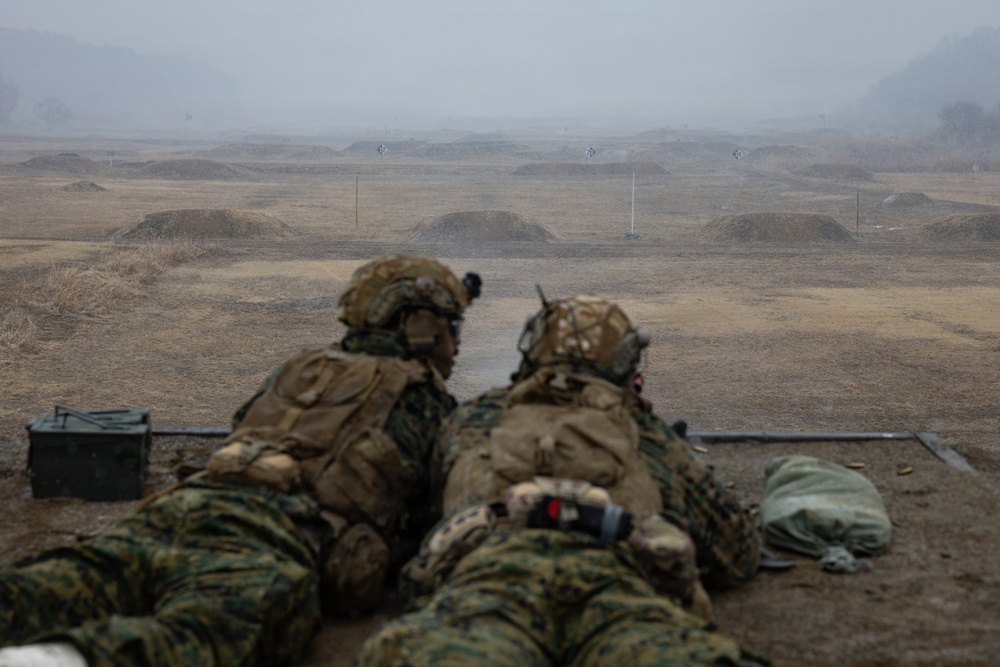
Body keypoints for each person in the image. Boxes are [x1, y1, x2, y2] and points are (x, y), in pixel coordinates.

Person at [0, 255, 481, 667]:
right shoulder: (427, 403)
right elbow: (434, 524)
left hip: (180, 509)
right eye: (451, 328)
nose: (456, 345)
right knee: (211, 633)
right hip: (268, 540)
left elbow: (243, 426)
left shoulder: (301, 368)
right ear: (418, 327)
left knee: (55, 584)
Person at [355, 292, 768, 667]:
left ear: (532, 348)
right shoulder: (644, 430)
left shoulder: (471, 418)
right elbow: (736, 552)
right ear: (624, 362)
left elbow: (429, 514)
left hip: (490, 579)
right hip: (616, 584)